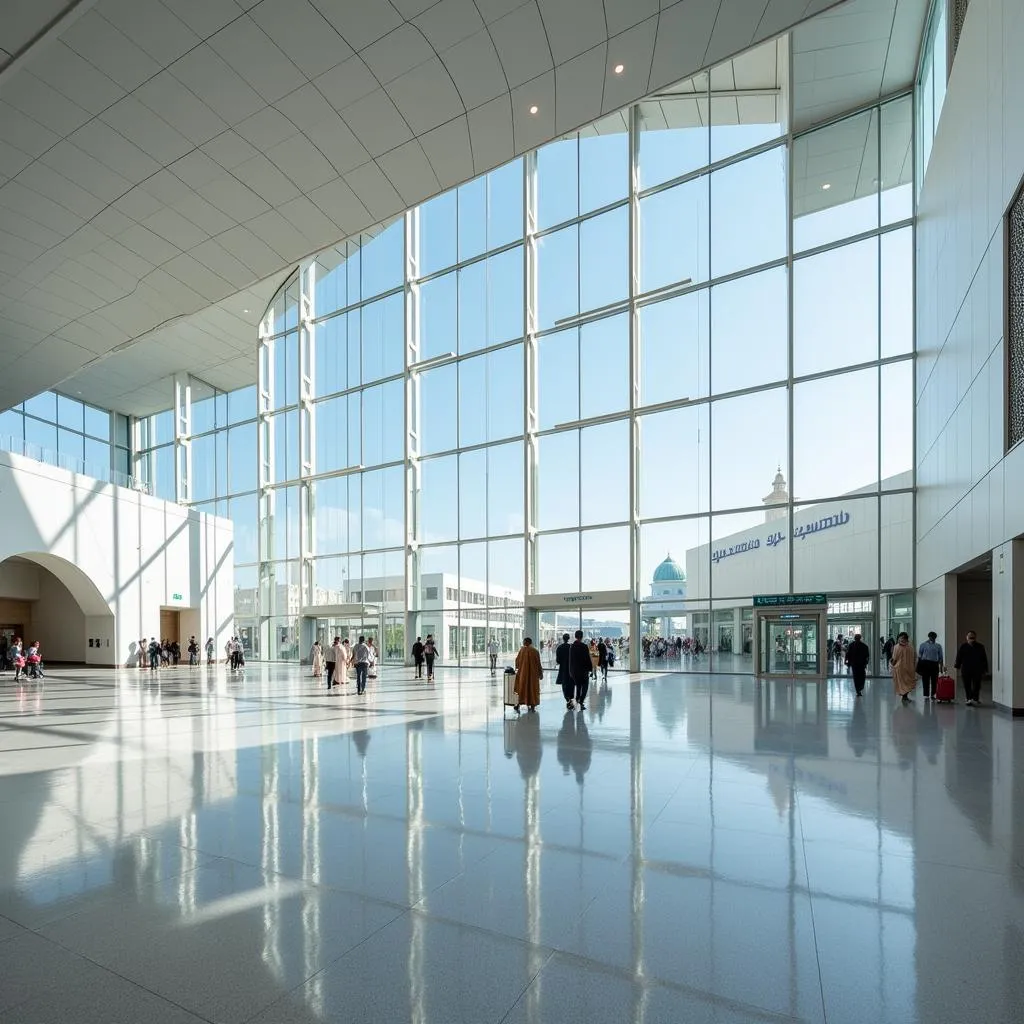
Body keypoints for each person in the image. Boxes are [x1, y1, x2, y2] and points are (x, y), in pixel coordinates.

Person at [954, 630, 989, 706]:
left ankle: (975, 698)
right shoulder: (963, 646)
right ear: (967, 637)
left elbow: (984, 658)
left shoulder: (980, 646)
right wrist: (957, 665)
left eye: (973, 637)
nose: (971, 638)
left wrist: (985, 669)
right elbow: (959, 657)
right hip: (966, 669)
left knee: (977, 684)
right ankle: (969, 698)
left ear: (975, 638)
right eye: (970, 637)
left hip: (977, 669)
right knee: (967, 684)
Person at [513, 636, 543, 713]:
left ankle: (519, 704)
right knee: (532, 689)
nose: (523, 643)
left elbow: (517, 662)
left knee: (522, 689)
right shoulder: (535, 651)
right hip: (533, 675)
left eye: (524, 641)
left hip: (523, 674)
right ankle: (532, 706)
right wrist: (540, 673)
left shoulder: (522, 650)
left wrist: (518, 668)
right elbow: (538, 663)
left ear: (526, 642)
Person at [890, 631, 917, 704]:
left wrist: (892, 665)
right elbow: (915, 657)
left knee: (902, 683)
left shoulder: (896, 647)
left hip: (900, 668)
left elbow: (894, 659)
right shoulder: (911, 646)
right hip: (909, 668)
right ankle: (905, 696)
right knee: (908, 683)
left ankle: (904, 697)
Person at [569, 630, 592, 711]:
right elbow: (587, 659)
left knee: (578, 686)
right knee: (585, 687)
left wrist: (571, 671)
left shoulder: (572, 647)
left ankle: (577, 699)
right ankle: (581, 701)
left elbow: (570, 660)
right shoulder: (584, 646)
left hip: (575, 670)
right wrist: (590, 669)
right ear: (582, 637)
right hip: (584, 670)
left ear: (575, 636)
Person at [917, 631, 944, 700]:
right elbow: (920, 655)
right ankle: (926, 694)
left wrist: (941, 668)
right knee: (925, 679)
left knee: (934, 680)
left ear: (935, 638)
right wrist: (919, 666)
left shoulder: (938, 646)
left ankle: (933, 694)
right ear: (929, 637)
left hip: (934, 664)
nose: (932, 638)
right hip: (925, 663)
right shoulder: (923, 645)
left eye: (934, 637)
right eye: (931, 637)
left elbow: (941, 657)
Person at [555, 632, 574, 709]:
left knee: (564, 684)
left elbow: (558, 660)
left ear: (563, 639)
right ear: (568, 638)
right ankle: (571, 698)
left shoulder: (559, 648)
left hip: (563, 669)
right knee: (571, 684)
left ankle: (567, 699)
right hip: (571, 669)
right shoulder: (571, 647)